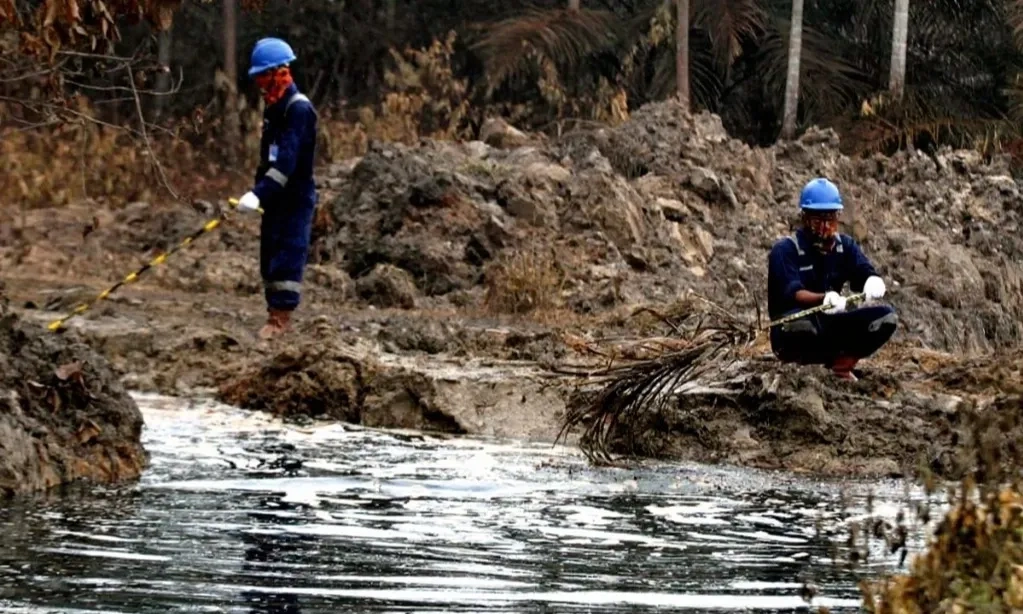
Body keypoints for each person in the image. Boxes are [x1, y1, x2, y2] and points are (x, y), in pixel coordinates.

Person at [766, 177, 898, 380]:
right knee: (801, 326)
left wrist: (872, 281)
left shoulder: (845, 247)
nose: (824, 227)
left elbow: (863, 271)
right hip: (794, 329)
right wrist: (824, 299)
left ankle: (841, 367)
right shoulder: (785, 250)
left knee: (885, 318)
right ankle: (800, 369)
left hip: (830, 324)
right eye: (818, 220)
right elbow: (793, 293)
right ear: (805, 218)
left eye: (830, 220)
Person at [235, 37, 318, 339]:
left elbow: (287, 163)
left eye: (262, 76)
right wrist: (258, 191)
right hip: (275, 198)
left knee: (287, 254)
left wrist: (259, 194)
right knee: (269, 255)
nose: (259, 83)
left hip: (294, 197)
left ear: (278, 72)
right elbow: (268, 160)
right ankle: (272, 313)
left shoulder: (298, 110)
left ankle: (281, 320)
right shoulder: (274, 108)